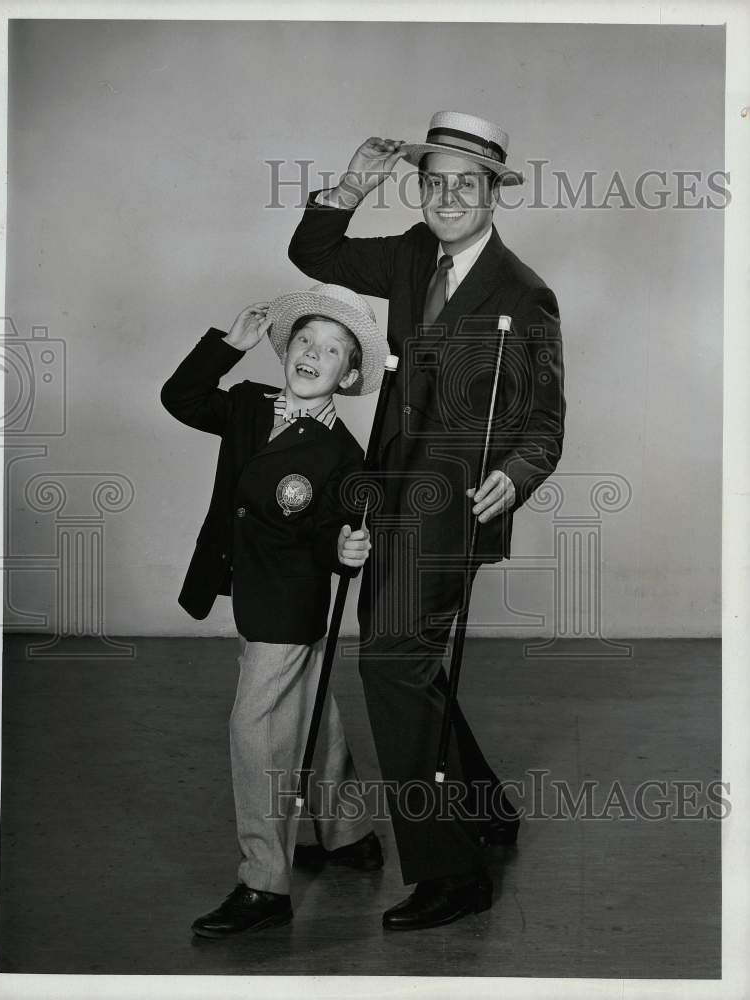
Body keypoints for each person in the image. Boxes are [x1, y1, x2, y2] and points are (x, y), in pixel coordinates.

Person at [288, 110, 566, 930]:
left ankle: (455, 874)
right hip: (387, 493)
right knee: (410, 664)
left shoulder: (525, 293)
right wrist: (349, 186)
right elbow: (316, 254)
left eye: (464, 184)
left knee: (391, 665)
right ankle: (484, 806)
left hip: (454, 509)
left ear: (492, 194)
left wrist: (513, 477)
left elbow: (544, 421)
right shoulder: (412, 252)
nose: (448, 197)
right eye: (433, 182)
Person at [160, 283, 391, 938]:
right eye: (305, 341)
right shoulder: (247, 406)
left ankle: (265, 882)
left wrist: (346, 548)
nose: (313, 354)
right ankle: (349, 833)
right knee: (314, 709)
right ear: (286, 349)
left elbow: (329, 537)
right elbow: (180, 399)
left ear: (349, 375)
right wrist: (226, 348)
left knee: (257, 731)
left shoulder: (343, 457)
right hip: (246, 584)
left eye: (332, 349)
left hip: (288, 602)